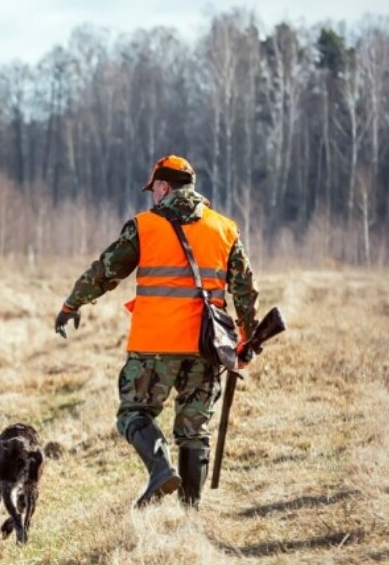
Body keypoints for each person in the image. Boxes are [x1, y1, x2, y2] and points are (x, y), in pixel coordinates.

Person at [53, 155, 258, 509]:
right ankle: (190, 514)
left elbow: (105, 271)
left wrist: (72, 304)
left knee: (134, 413)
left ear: (163, 187)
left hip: (154, 346)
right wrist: (247, 338)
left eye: (154, 189)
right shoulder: (226, 229)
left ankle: (161, 470)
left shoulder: (144, 227)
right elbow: (245, 290)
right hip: (206, 346)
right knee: (194, 429)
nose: (152, 196)